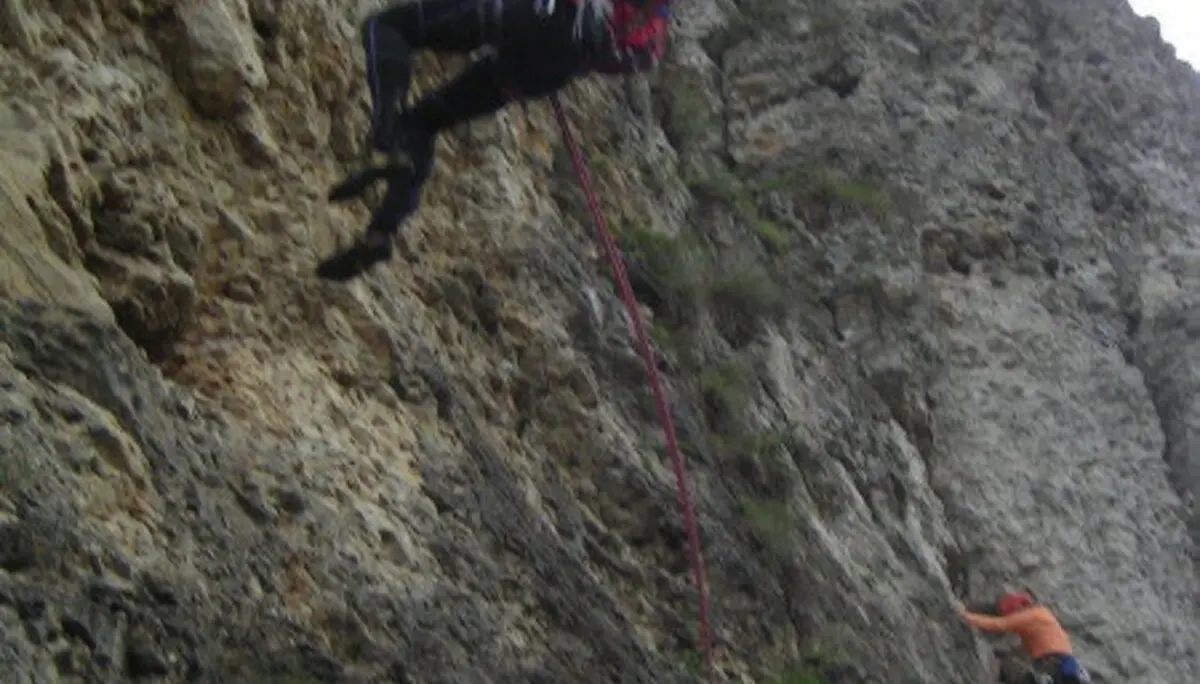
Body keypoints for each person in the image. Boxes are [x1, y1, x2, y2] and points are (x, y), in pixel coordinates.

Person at [316, 0, 673, 281]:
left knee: (389, 27)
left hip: (539, 14)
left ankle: (382, 143)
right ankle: (381, 232)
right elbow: (622, 61)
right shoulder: (655, 35)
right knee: (424, 123)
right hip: (545, 71)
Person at [958, 590, 1093, 684]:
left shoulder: (1029, 617)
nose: (1013, 617)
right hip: (1070, 666)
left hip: (1053, 665)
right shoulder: (1044, 616)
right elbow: (1030, 645)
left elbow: (999, 624)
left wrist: (964, 616)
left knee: (1021, 675)